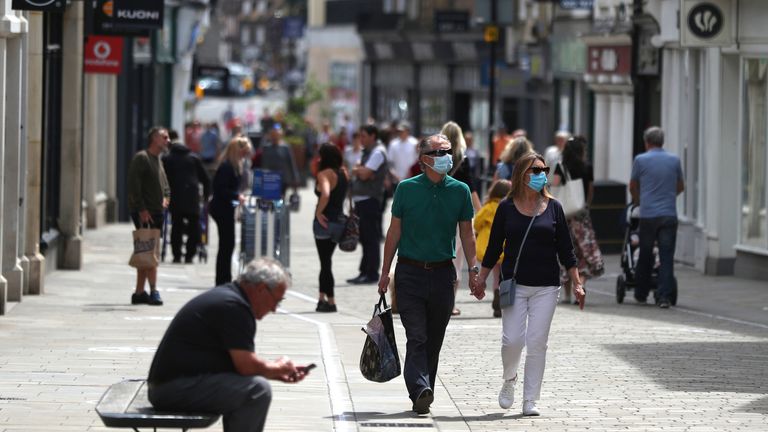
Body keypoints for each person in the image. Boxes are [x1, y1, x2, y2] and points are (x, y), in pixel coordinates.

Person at [475, 152, 585, 416]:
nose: (542, 175)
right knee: (512, 340)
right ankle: (509, 379)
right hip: (514, 284)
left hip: (547, 286)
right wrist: (481, 278)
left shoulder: (555, 207)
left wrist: (578, 284)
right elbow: (493, 249)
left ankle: (530, 399)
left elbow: (567, 251)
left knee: (537, 342)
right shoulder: (506, 207)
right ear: (521, 175)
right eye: (535, 171)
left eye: (544, 170)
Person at [147, 258, 312, 432]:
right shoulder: (234, 307)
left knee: (252, 386)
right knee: (257, 391)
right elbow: (246, 367)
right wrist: (279, 368)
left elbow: (239, 365)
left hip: (169, 385)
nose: (274, 309)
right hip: (172, 389)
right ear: (262, 289)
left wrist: (276, 372)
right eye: (276, 301)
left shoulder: (230, 298)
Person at [377, 133, 478, 415]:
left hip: (443, 275)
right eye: (439, 151)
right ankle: (420, 388)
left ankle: (424, 390)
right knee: (417, 336)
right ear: (424, 159)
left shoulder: (460, 190)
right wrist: (385, 272)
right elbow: (394, 231)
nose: (446, 155)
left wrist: (474, 269)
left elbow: (467, 234)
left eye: (448, 150)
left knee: (434, 339)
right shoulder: (406, 189)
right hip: (409, 273)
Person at [629, 126, 684, 309]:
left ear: (647, 142)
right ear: (662, 141)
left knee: (645, 254)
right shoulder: (674, 160)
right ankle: (664, 297)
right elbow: (680, 186)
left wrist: (639, 201)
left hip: (648, 215)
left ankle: (641, 293)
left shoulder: (640, 160)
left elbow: (633, 185)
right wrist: (668, 197)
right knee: (666, 256)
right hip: (668, 214)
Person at [556, 136, 604, 304]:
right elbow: (590, 190)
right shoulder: (586, 167)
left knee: (566, 254)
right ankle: (580, 286)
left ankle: (568, 295)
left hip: (564, 216)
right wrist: (585, 206)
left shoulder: (561, 167)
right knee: (584, 254)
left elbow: (553, 185)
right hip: (581, 217)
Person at [441, 121, 481, 316]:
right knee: (457, 261)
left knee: (440, 255)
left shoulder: (438, 157)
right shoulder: (462, 160)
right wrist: (481, 211)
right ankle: (451, 303)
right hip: (461, 213)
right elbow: (471, 188)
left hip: (440, 211)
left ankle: (439, 301)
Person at [127, 126, 171, 306]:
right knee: (150, 252)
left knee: (145, 252)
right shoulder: (142, 158)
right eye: (164, 137)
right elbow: (133, 186)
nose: (168, 140)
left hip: (157, 211)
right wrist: (142, 209)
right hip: (147, 213)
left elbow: (166, 185)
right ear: (154, 138)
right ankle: (153, 290)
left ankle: (139, 292)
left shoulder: (158, 160)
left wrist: (166, 199)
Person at [346, 124, 388, 285]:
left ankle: (371, 273)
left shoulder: (378, 152)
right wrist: (360, 170)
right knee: (364, 237)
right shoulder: (367, 152)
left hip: (370, 200)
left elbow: (364, 174)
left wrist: (362, 171)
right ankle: (364, 271)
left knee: (371, 238)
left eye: (363, 136)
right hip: (361, 201)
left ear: (372, 136)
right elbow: (358, 170)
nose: (361, 139)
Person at [162, 130, 211, 264]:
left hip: (175, 197)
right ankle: (190, 254)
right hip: (192, 197)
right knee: (194, 225)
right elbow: (206, 179)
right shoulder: (193, 158)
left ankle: (176, 255)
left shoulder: (167, 159)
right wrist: (206, 197)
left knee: (176, 225)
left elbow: (161, 180)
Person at [210, 136, 252, 286]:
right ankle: (222, 279)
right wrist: (236, 196)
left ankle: (224, 278)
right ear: (237, 151)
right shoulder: (227, 166)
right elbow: (220, 189)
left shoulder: (234, 165)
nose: (245, 155)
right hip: (221, 208)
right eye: (244, 152)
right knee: (226, 244)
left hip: (226, 207)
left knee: (227, 244)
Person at [313, 144, 349, 313]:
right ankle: (321, 299)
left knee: (325, 263)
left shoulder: (324, 174)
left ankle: (332, 301)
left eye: (320, 156)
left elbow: (326, 194)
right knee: (326, 261)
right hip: (340, 222)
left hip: (325, 223)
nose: (318, 159)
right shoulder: (344, 173)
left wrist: (318, 212)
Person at [474, 179, 512, 318]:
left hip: (487, 247)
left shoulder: (488, 207)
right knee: (501, 276)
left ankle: (496, 298)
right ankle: (501, 300)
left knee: (495, 275)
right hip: (505, 247)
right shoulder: (510, 206)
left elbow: (477, 223)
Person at [259, 124, 300, 198]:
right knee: (269, 199)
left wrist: (295, 178)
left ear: (280, 135)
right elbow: (263, 164)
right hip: (269, 178)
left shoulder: (286, 147)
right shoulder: (266, 148)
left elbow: (291, 163)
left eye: (277, 135)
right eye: (273, 135)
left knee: (281, 199)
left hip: (283, 179)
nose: (275, 137)